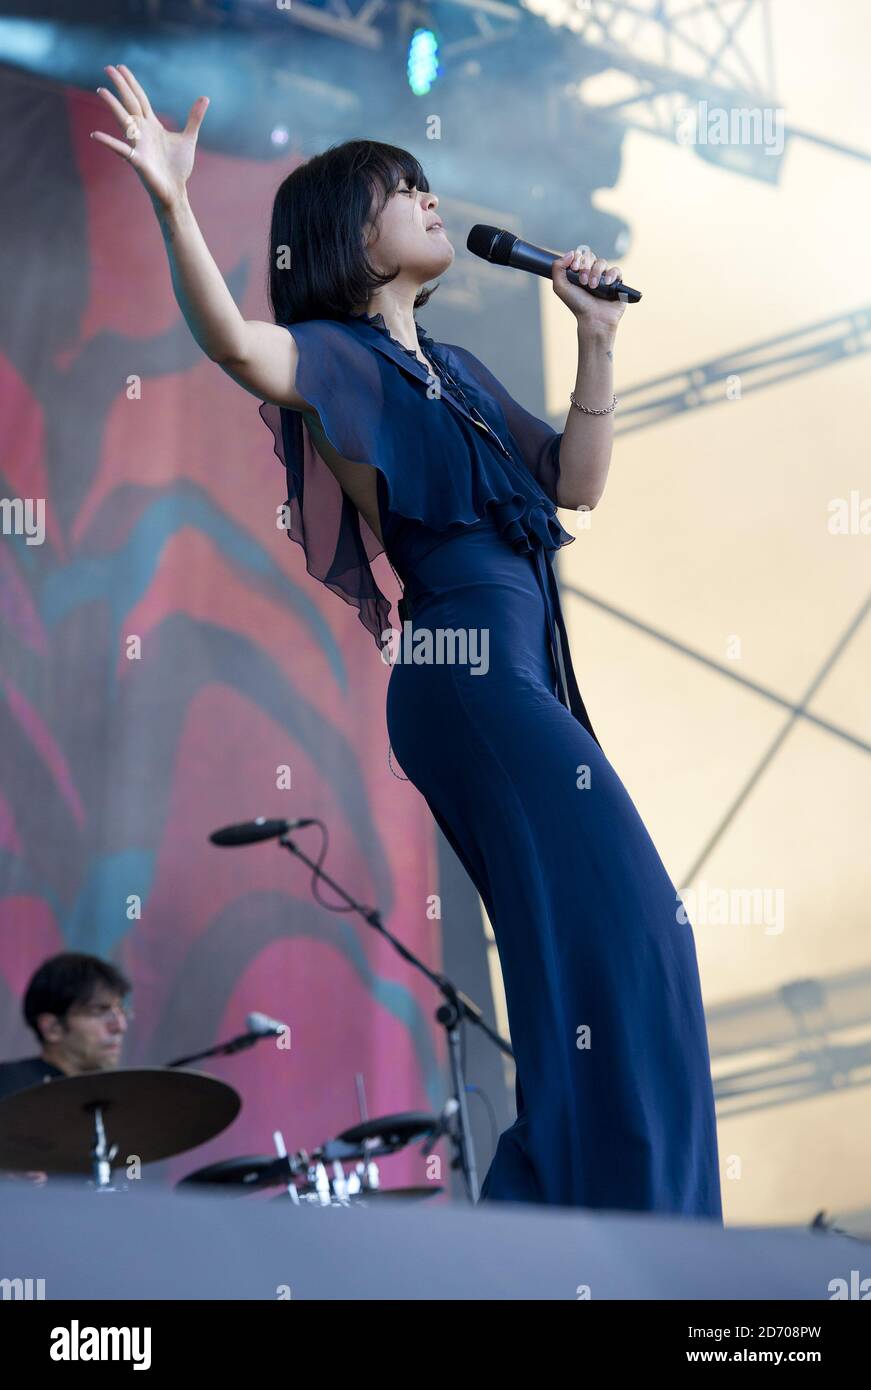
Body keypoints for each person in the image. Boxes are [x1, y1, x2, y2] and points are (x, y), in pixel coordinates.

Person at [90, 65, 722, 1218]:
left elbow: (575, 482)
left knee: (597, 939)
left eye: (428, 184)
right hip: (465, 676)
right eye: (403, 189)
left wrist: (596, 342)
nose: (431, 201)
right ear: (352, 233)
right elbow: (235, 345)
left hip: (522, 673)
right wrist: (176, 206)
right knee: (632, 925)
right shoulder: (332, 354)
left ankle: (572, 1212)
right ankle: (624, 1212)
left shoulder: (465, 372)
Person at [0, 951, 132, 1103]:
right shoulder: (10, 1085)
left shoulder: (118, 1096)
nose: (120, 1026)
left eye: (121, 1011)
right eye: (98, 1012)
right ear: (52, 1028)